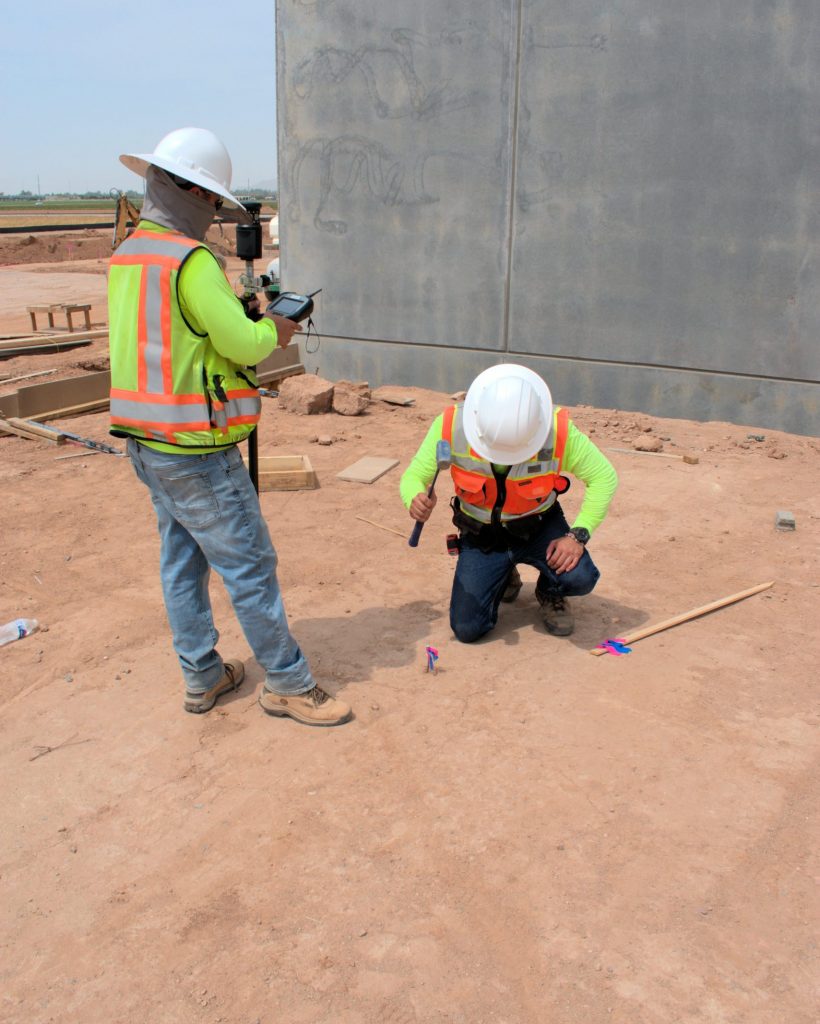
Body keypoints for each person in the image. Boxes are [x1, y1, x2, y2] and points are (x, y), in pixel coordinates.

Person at [108, 127, 351, 726]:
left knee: (182, 560)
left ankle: (202, 675)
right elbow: (243, 343)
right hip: (196, 447)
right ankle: (289, 684)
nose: (215, 213)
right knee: (249, 563)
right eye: (213, 202)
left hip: (147, 441)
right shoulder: (188, 261)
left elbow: (173, 342)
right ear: (192, 192)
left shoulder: (129, 255)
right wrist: (276, 330)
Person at [400, 364, 618, 641]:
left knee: (580, 577)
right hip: (483, 536)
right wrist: (414, 498)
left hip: (539, 528)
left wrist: (578, 535)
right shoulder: (450, 426)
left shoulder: (558, 430)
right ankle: (504, 575)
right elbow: (414, 476)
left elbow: (604, 477)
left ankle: (550, 591)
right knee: (467, 630)